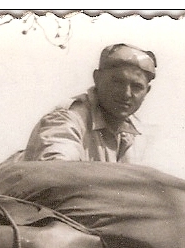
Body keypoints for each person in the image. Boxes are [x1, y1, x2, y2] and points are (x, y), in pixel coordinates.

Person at [23, 43, 156, 163]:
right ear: (97, 78)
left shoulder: (133, 135)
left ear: (147, 91)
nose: (126, 94)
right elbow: (58, 170)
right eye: (118, 82)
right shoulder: (67, 121)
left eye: (137, 87)